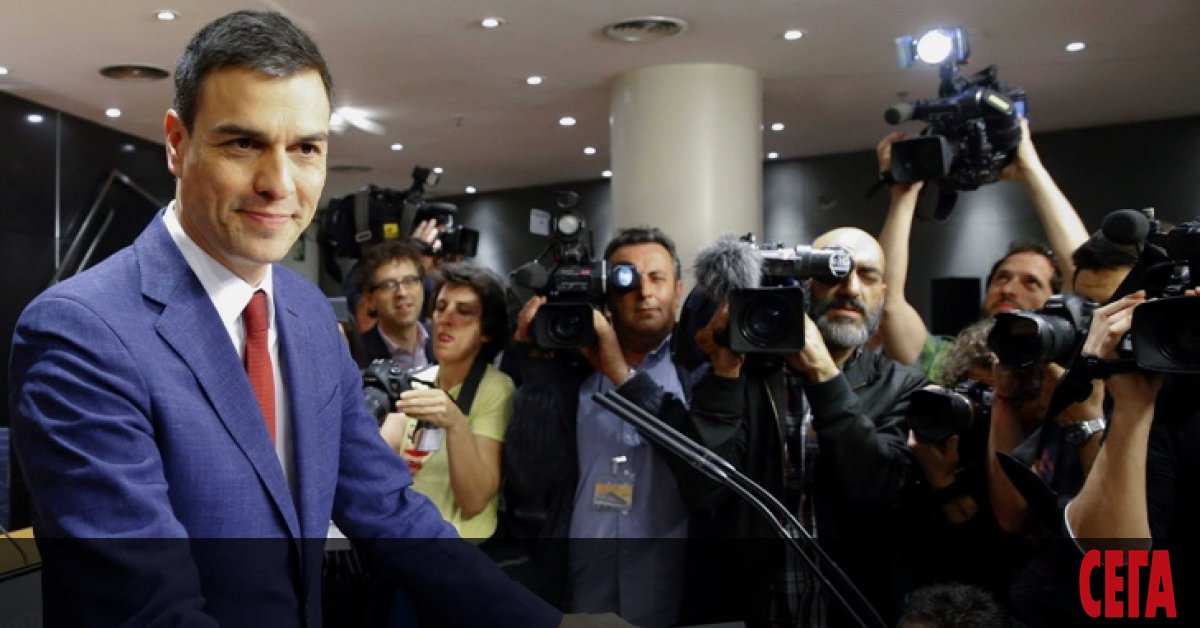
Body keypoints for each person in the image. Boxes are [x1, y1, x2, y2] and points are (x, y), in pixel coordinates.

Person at [8, 10, 624, 628]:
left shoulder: (305, 314)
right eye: (243, 143)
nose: (279, 183)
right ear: (177, 143)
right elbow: (147, 609)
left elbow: (388, 512)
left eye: (305, 148)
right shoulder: (81, 333)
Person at [504, 226, 742, 628]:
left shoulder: (704, 372)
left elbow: (710, 479)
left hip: (675, 585)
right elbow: (530, 479)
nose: (644, 291)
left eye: (657, 278)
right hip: (582, 586)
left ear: (678, 290)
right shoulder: (572, 372)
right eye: (627, 279)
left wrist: (620, 373)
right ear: (607, 294)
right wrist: (538, 370)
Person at [773, 227, 928, 625]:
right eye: (833, 271)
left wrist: (825, 375)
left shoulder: (902, 386)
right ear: (803, 282)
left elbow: (876, 490)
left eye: (868, 275)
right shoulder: (755, 379)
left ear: (883, 293)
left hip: (855, 609)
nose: (851, 288)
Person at [876, 121, 1089, 382]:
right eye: (1002, 277)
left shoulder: (1060, 365)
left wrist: (1030, 170)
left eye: (1031, 283)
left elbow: (1086, 274)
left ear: (1055, 300)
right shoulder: (948, 361)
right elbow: (886, 299)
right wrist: (903, 195)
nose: (1008, 289)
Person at [379, 261, 512, 540]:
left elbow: (473, 502)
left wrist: (456, 424)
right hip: (405, 540)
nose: (445, 319)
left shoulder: (495, 388)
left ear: (486, 331)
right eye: (440, 307)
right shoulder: (419, 379)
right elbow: (379, 458)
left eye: (463, 311)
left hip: (459, 547)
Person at [355, 240, 432, 368]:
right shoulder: (357, 357)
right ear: (369, 300)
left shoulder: (442, 340)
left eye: (409, 281)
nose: (402, 293)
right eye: (388, 285)